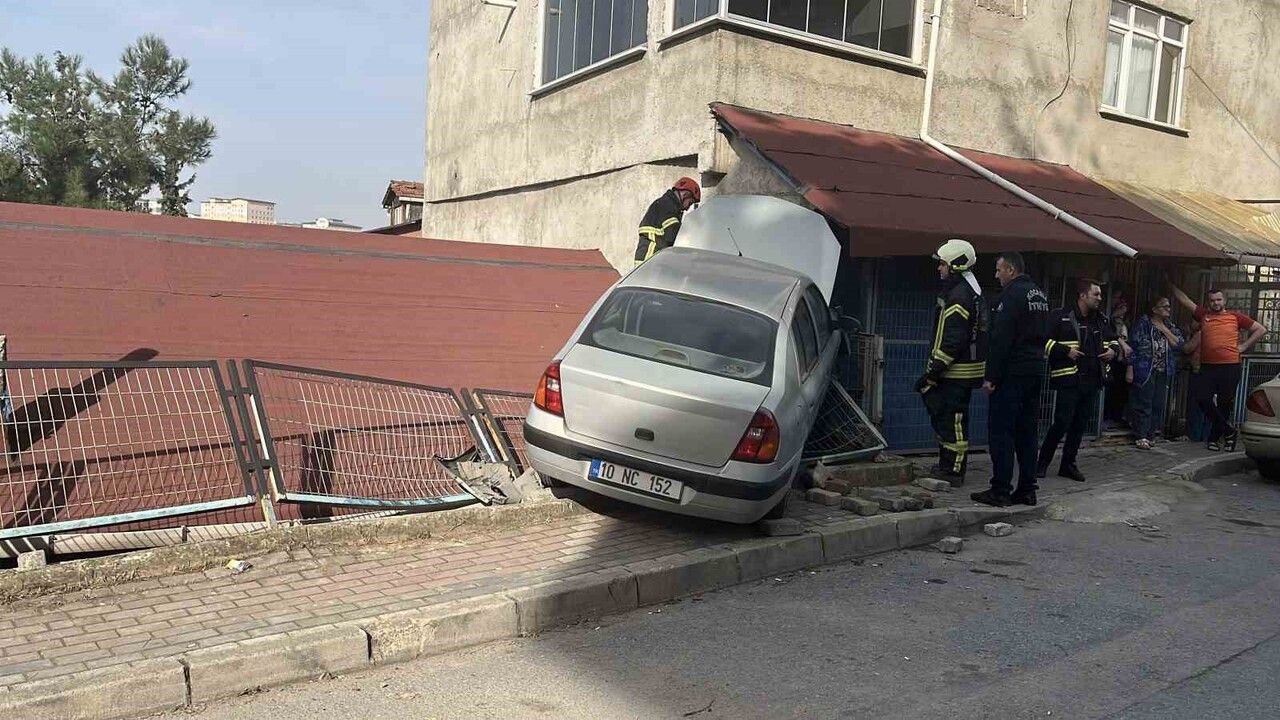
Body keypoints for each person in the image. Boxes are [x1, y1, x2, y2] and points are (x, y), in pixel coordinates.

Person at [971, 251, 1049, 508]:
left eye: (998, 270)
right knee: (1027, 432)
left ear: (1011, 270)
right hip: (1035, 370)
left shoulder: (1010, 296)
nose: (996, 275)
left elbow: (1000, 339)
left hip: (1012, 373)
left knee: (1002, 432)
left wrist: (991, 376)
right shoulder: (1039, 294)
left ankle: (1001, 489)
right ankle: (1027, 489)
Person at [915, 239, 987, 485]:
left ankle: (954, 470)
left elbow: (952, 340)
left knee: (953, 420)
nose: (939, 269)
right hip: (959, 370)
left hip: (957, 372)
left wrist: (934, 371)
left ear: (955, 266)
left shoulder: (959, 296)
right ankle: (947, 465)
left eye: (943, 264)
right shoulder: (968, 291)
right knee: (947, 418)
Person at [1036, 279, 1119, 483]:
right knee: (1062, 422)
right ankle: (1041, 463)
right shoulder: (1060, 316)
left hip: (1092, 379)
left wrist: (1112, 351)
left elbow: (1113, 340)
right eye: (1096, 294)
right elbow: (1041, 341)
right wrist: (1065, 351)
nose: (1100, 298)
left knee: (1079, 425)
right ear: (1083, 295)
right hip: (1068, 378)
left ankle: (1068, 465)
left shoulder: (1101, 320)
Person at [1169, 283, 1266, 451]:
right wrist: (1169, 283)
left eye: (1219, 299)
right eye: (1212, 300)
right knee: (1202, 398)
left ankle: (1215, 438)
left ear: (1224, 301)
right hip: (1208, 367)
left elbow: (1260, 329)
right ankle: (1229, 431)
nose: (1216, 303)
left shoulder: (1235, 317)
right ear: (1209, 302)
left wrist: (1244, 346)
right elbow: (1185, 300)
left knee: (1224, 403)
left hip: (1230, 366)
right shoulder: (1203, 315)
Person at [1127, 297, 1185, 449]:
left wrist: (1165, 330)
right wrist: (1130, 367)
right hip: (1145, 369)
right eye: (1164, 306)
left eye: (1169, 306)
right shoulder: (1144, 323)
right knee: (1144, 402)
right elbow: (1133, 345)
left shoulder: (1169, 325)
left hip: (1163, 370)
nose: (1168, 309)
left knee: (1158, 403)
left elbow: (1179, 345)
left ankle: (1151, 434)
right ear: (1154, 309)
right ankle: (1141, 435)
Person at [634, 177, 701, 267]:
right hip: (649, 260)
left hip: (648, 260)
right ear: (685, 195)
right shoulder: (667, 206)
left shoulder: (666, 204)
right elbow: (673, 236)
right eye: (690, 203)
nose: (687, 208)